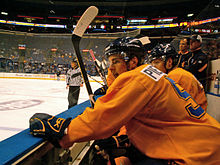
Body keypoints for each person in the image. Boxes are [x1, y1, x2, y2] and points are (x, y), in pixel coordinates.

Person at [30, 37, 220, 165]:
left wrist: (64, 130)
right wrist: (124, 140)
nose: (111, 68)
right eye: (110, 62)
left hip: (196, 156)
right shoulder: (153, 75)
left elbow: (102, 119)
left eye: (116, 61)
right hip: (206, 146)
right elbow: (151, 119)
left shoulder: (138, 78)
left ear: (133, 61)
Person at [147, 43, 207, 110]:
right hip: (194, 116)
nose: (153, 67)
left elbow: (168, 107)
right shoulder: (179, 73)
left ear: (169, 62)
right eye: (152, 63)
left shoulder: (175, 76)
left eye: (157, 62)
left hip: (190, 119)